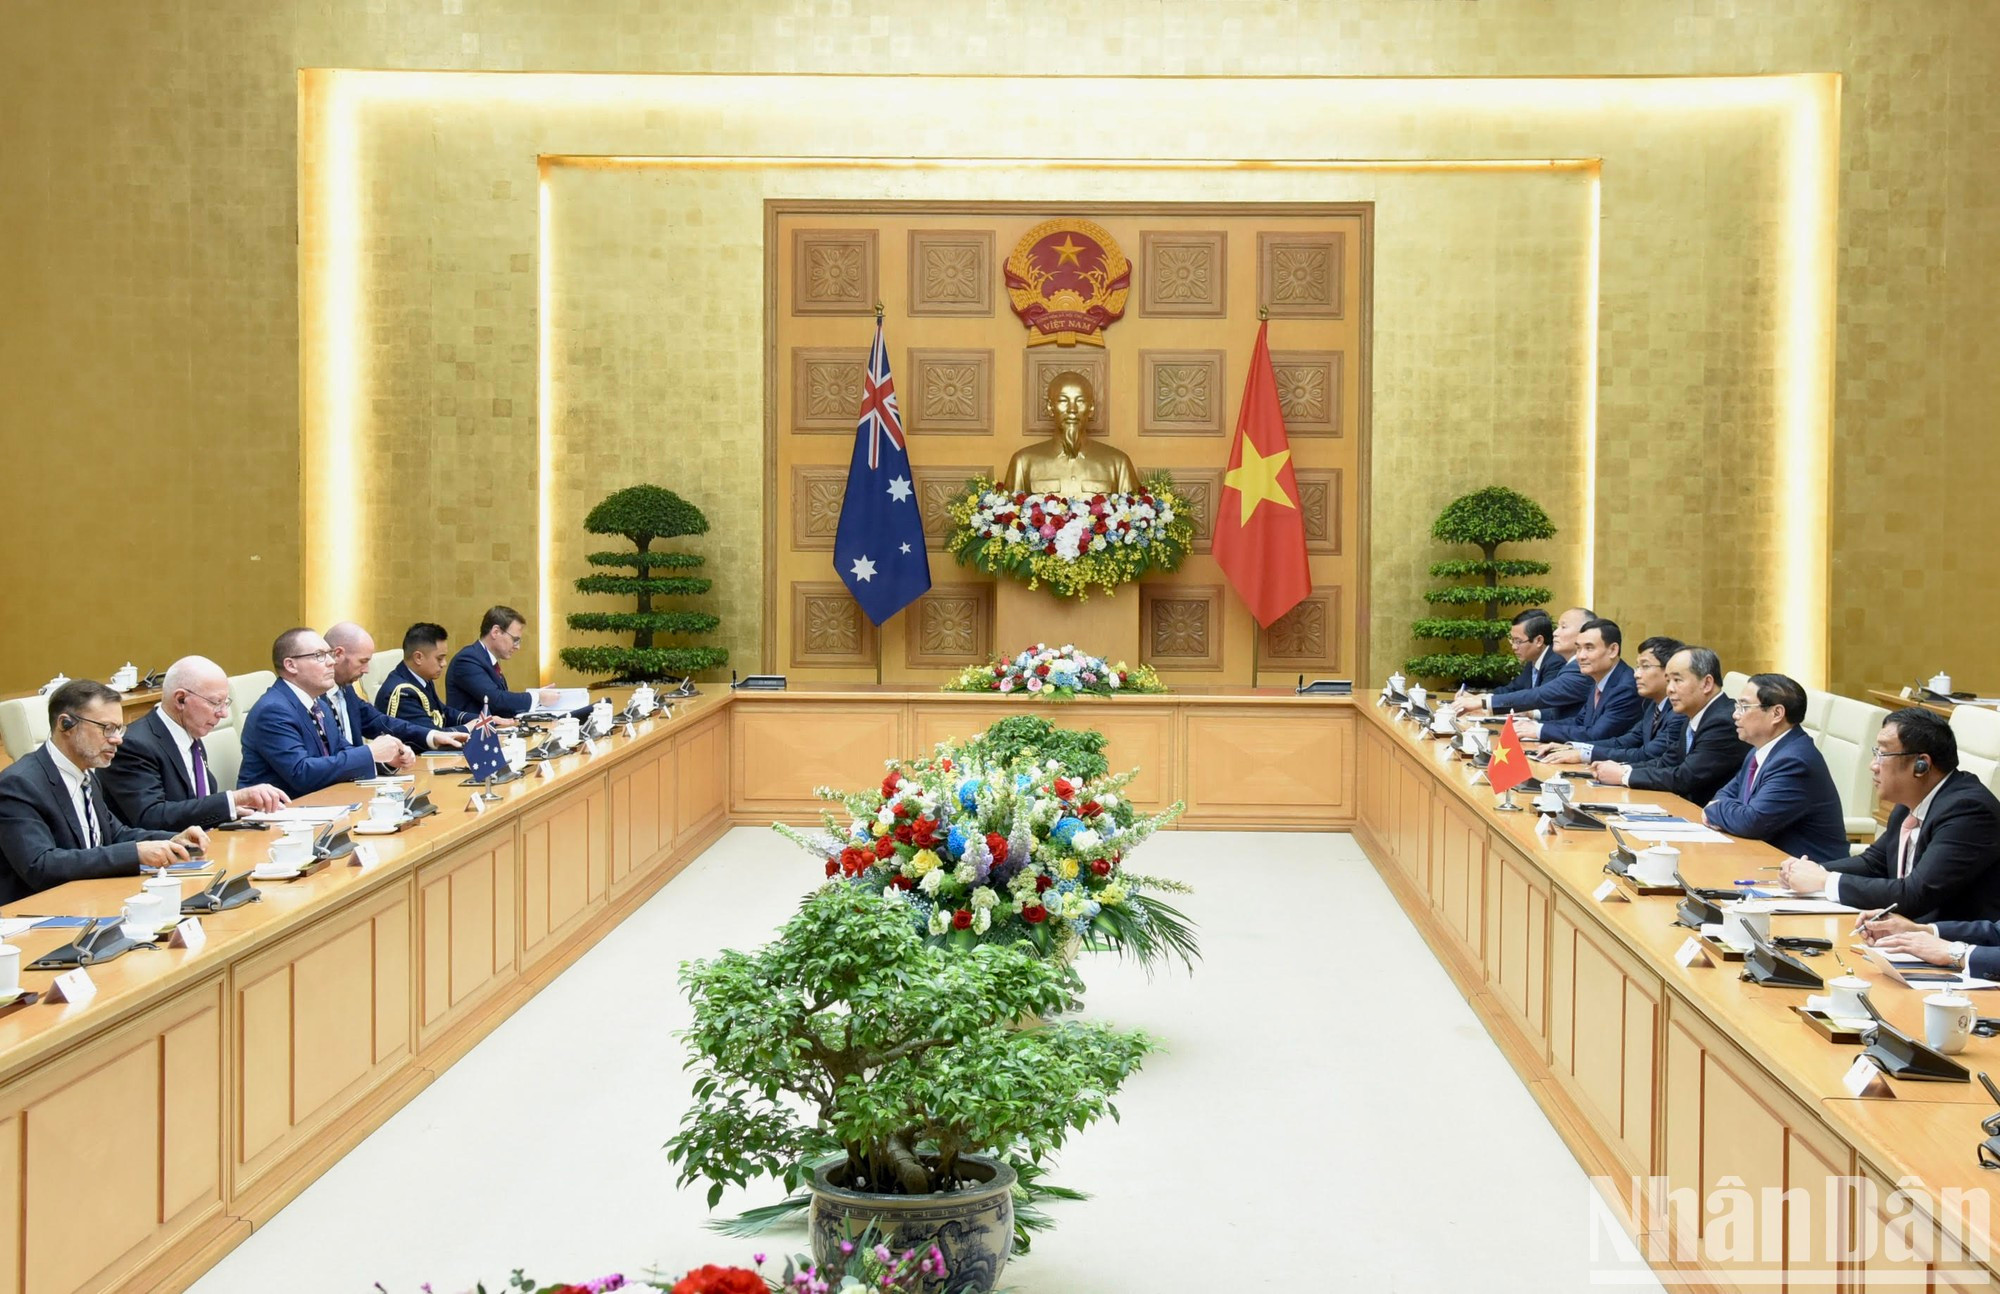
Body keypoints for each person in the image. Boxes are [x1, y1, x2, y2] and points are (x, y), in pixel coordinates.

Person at [0, 680, 206, 905]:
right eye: (106, 728)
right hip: (38, 915)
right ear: (65, 724)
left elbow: (114, 835)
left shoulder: (86, 775)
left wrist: (172, 840)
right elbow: (40, 865)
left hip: (91, 900)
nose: (117, 739)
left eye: (119, 729)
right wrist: (135, 853)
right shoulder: (19, 784)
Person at [1781, 709, 2000, 921]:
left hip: (1956, 946)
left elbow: (1915, 894)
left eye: (1883, 754)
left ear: (1921, 765)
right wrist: (1811, 871)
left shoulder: (1968, 811)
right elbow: (1874, 863)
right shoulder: (1910, 802)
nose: (1873, 766)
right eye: (1875, 753)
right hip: (1907, 934)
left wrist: (1825, 881)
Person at [99, 656, 290, 831]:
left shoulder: (190, 735)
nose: (223, 713)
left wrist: (232, 810)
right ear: (181, 699)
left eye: (226, 703)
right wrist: (232, 800)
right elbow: (151, 817)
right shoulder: (134, 746)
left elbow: (195, 803)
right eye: (216, 703)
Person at [238, 628, 415, 798]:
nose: (332, 662)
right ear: (291, 665)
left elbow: (342, 750)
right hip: (275, 815)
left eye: (329, 654)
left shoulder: (319, 704)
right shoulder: (273, 711)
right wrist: (370, 753)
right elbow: (301, 773)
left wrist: (385, 759)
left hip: (319, 805)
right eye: (319, 656)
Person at [1700, 673, 1849, 863]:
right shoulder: (1759, 751)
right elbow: (1724, 795)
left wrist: (1715, 811)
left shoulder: (1795, 761)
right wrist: (1723, 808)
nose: (1735, 715)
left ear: (1776, 714)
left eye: (1744, 707)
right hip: (1766, 862)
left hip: (1808, 876)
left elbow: (1752, 822)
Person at [1592, 646, 1748, 806]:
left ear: (1707, 683)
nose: (1670, 690)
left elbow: (1685, 777)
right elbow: (1667, 761)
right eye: (1668, 681)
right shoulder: (1694, 714)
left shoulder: (1723, 722)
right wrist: (1621, 768)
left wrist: (1623, 776)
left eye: (1677, 680)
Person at [323, 622, 469, 753]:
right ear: (338, 654)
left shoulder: (346, 691)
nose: (367, 670)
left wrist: (432, 736)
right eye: (362, 661)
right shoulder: (313, 700)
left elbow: (379, 721)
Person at [1540, 635, 1685, 766]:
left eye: (1645, 666)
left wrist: (1585, 755)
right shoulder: (1653, 705)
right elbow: (1624, 742)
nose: (1636, 674)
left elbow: (1646, 754)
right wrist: (1574, 747)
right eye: (1637, 666)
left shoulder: (1679, 713)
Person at [1000, 371, 1140, 496]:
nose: (1072, 409)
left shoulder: (1118, 463)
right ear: (1050, 407)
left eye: (1080, 401)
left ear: (1091, 408)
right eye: (1062, 400)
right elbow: (1010, 519)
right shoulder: (1023, 462)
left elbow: (1133, 518)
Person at [1514, 618, 1640, 745]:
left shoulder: (1625, 687)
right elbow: (1579, 722)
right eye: (1578, 649)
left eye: (1589, 648)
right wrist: (1533, 726)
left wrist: (1539, 730)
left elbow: (1596, 735)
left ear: (1613, 650)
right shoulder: (1599, 677)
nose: (1581, 656)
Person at [1456, 606, 1593, 722]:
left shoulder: (1575, 668)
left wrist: (1484, 702)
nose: (1555, 633)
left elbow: (1541, 696)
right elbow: (1515, 690)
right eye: (1557, 627)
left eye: (1563, 627)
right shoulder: (1563, 664)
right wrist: (1480, 698)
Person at [376, 622, 511, 735]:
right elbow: (429, 735)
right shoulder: (402, 693)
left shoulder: (420, 679)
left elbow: (443, 713)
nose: (444, 664)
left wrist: (484, 720)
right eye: (439, 658)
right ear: (418, 657)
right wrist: (467, 728)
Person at [446, 605, 561, 718]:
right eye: (515, 640)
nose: (517, 647)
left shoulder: (487, 660)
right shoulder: (467, 660)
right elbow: (496, 699)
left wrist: (538, 697)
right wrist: (537, 697)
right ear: (495, 632)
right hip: (471, 735)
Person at [1498, 609, 1567, 695]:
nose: (1514, 647)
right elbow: (1512, 689)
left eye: (1518, 641)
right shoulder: (1533, 660)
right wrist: (1484, 698)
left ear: (1539, 641)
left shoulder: (1555, 663)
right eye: (1512, 640)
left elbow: (1541, 699)